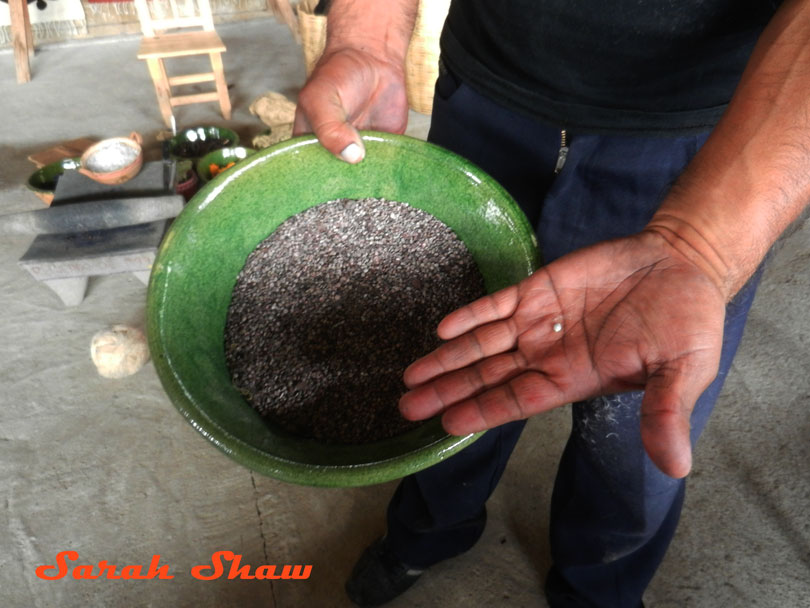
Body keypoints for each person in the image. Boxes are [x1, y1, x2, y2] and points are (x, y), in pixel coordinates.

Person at [293, 1, 810, 606]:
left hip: (715, 141)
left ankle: (599, 588)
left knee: (636, 429)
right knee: (446, 367)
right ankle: (429, 529)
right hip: (486, 94)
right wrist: (370, 39)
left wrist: (699, 248)